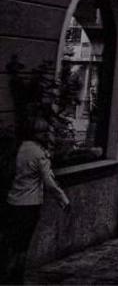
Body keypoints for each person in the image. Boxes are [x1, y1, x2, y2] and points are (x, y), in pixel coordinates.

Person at [0, 120, 70, 285]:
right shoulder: (39, 153)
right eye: (44, 133)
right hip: (29, 204)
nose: (46, 136)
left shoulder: (19, 148)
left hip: (12, 200)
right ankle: (16, 276)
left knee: (12, 241)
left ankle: (9, 273)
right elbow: (49, 182)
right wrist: (64, 200)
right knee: (23, 244)